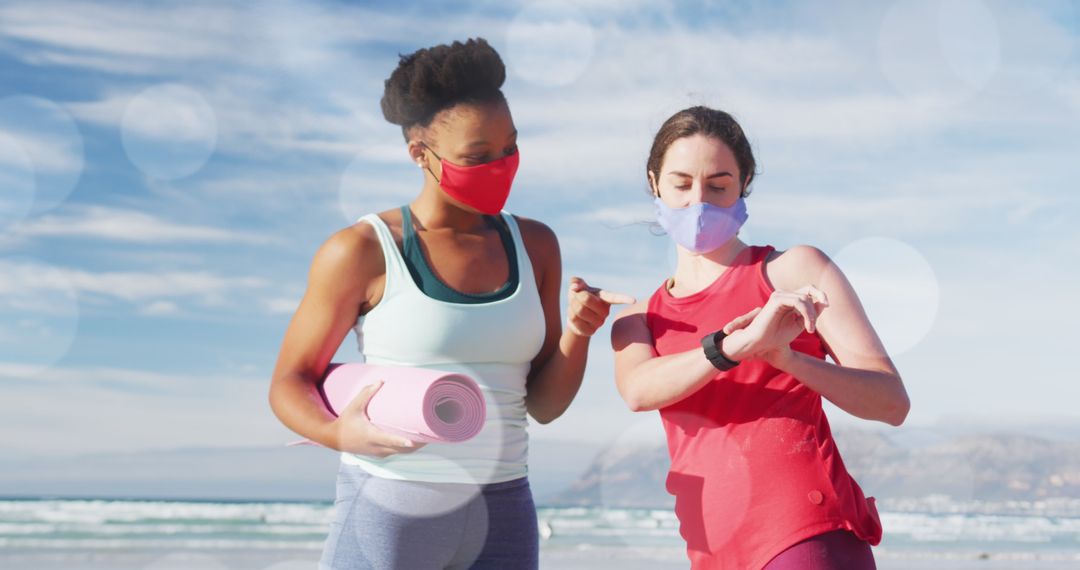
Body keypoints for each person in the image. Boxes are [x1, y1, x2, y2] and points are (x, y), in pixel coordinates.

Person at [268, 38, 631, 570]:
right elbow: (289, 381)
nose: (502, 166)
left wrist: (579, 333)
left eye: (510, 147)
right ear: (420, 154)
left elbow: (544, 406)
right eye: (478, 157)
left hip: (506, 509)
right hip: (392, 507)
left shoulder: (536, 245)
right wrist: (335, 432)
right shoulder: (362, 250)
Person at [611, 106, 910, 569]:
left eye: (718, 185)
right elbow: (638, 391)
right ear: (655, 183)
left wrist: (787, 358)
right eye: (681, 183)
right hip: (712, 552)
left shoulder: (793, 271)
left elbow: (891, 403)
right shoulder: (639, 318)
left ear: (743, 182)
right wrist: (733, 347)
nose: (698, 201)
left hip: (806, 537)